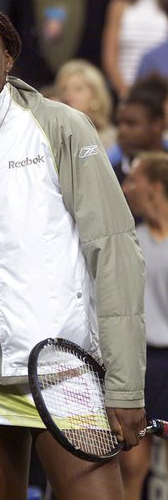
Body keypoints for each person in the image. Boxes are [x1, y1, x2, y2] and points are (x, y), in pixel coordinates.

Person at [0, 2, 146, 500]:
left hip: (64, 371)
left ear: (9, 58)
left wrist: (125, 385)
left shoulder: (61, 126)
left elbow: (115, 252)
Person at [119, 151, 168, 500]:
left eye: (132, 179)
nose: (125, 187)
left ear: (153, 187)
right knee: (131, 466)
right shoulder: (130, 239)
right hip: (142, 362)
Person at [102, 0, 168, 100]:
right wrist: (125, 92)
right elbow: (110, 57)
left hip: (161, 92)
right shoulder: (118, 6)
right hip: (125, 88)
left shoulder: (165, 7)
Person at [54, 58, 117, 150]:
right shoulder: (54, 136)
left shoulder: (113, 140)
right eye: (64, 89)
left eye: (78, 89)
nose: (68, 95)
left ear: (96, 95)